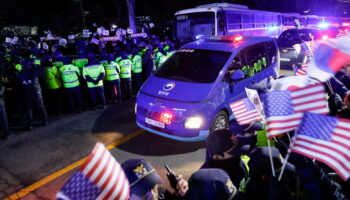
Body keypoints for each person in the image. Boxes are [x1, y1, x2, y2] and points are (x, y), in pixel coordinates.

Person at [121, 158, 188, 200]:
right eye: (144, 191)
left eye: (153, 186)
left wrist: (182, 194)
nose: (153, 195)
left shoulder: (161, 194)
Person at [17, 49, 48, 130]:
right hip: (35, 89)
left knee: (29, 108)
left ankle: (30, 125)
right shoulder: (33, 68)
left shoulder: (21, 69)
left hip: (26, 90)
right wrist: (36, 66)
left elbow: (18, 78)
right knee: (40, 106)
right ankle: (45, 121)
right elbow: (42, 71)